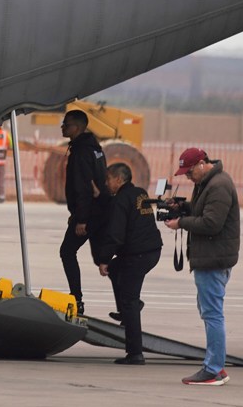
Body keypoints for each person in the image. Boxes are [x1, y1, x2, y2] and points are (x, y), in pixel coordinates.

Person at [164, 147, 240, 386]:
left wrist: (181, 223)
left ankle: (214, 369)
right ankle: (215, 365)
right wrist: (183, 208)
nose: (187, 177)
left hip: (213, 259)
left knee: (212, 314)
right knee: (209, 312)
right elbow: (203, 211)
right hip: (210, 257)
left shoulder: (218, 185)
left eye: (189, 172)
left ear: (201, 164)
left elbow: (211, 223)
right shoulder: (208, 183)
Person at [97, 162, 163, 365]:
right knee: (117, 270)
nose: (106, 183)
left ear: (118, 179)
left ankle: (135, 353)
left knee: (129, 301)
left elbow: (115, 234)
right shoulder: (139, 193)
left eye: (108, 179)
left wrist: (104, 260)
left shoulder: (121, 201)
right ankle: (127, 310)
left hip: (138, 255)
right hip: (151, 251)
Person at [58, 109, 109, 316]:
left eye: (66, 124)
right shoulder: (95, 148)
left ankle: (76, 300)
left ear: (77, 128)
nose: (63, 127)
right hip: (99, 211)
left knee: (67, 252)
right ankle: (127, 304)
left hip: (89, 215)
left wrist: (81, 218)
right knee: (102, 260)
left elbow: (83, 187)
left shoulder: (81, 151)